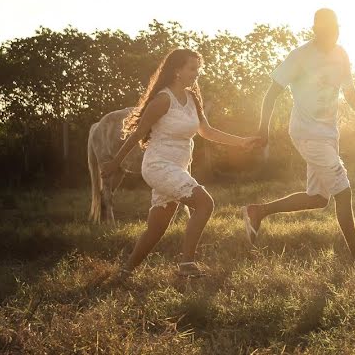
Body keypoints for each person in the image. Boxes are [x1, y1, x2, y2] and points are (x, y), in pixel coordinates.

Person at [101, 48, 260, 277]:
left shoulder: (193, 98)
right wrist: (115, 163)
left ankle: (125, 271)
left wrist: (242, 142)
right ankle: (186, 265)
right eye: (192, 68)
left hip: (178, 167)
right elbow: (138, 134)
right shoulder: (163, 100)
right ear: (177, 71)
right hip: (158, 165)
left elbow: (207, 131)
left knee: (156, 228)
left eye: (198, 68)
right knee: (205, 203)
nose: (197, 73)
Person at [241, 9, 355, 260]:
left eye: (336, 28)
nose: (333, 34)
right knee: (344, 191)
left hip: (329, 134)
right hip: (307, 133)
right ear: (316, 30)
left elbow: (350, 94)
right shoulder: (300, 56)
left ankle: (258, 211)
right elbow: (272, 93)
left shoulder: (341, 54)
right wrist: (263, 128)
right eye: (327, 30)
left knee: (318, 198)